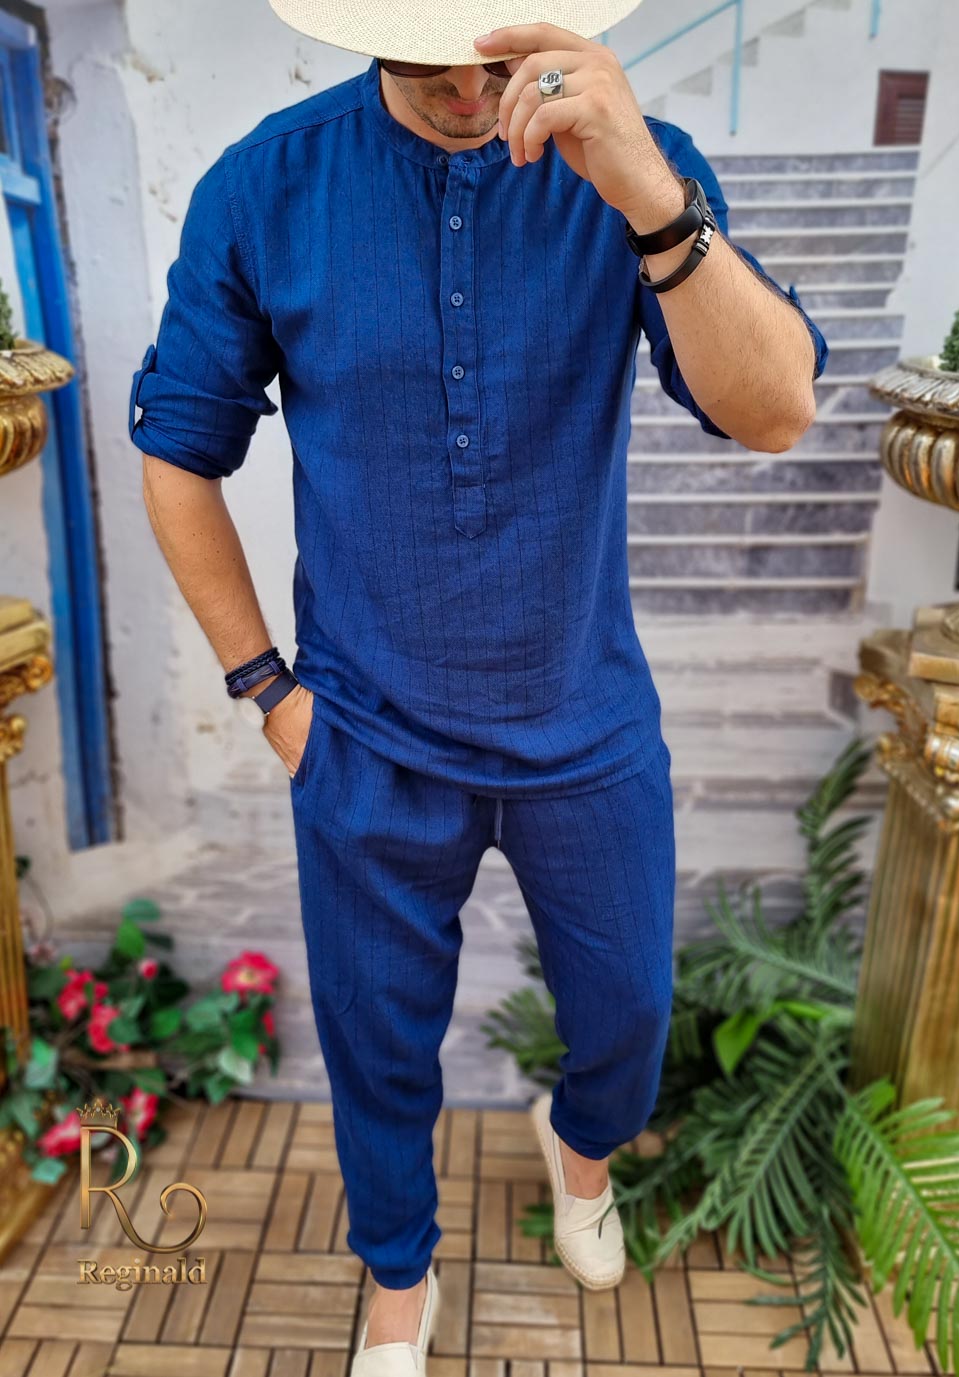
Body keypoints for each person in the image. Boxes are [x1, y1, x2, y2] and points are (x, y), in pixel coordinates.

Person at [128, 1, 828, 1371]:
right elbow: (178, 451)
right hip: (366, 733)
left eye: (492, 54)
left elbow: (777, 411)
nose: (466, 86)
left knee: (627, 1015)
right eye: (426, 50)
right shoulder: (266, 185)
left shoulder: (635, 160)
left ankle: (581, 1146)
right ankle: (398, 1281)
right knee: (377, 1046)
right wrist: (269, 690)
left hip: (584, 715)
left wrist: (647, 195)